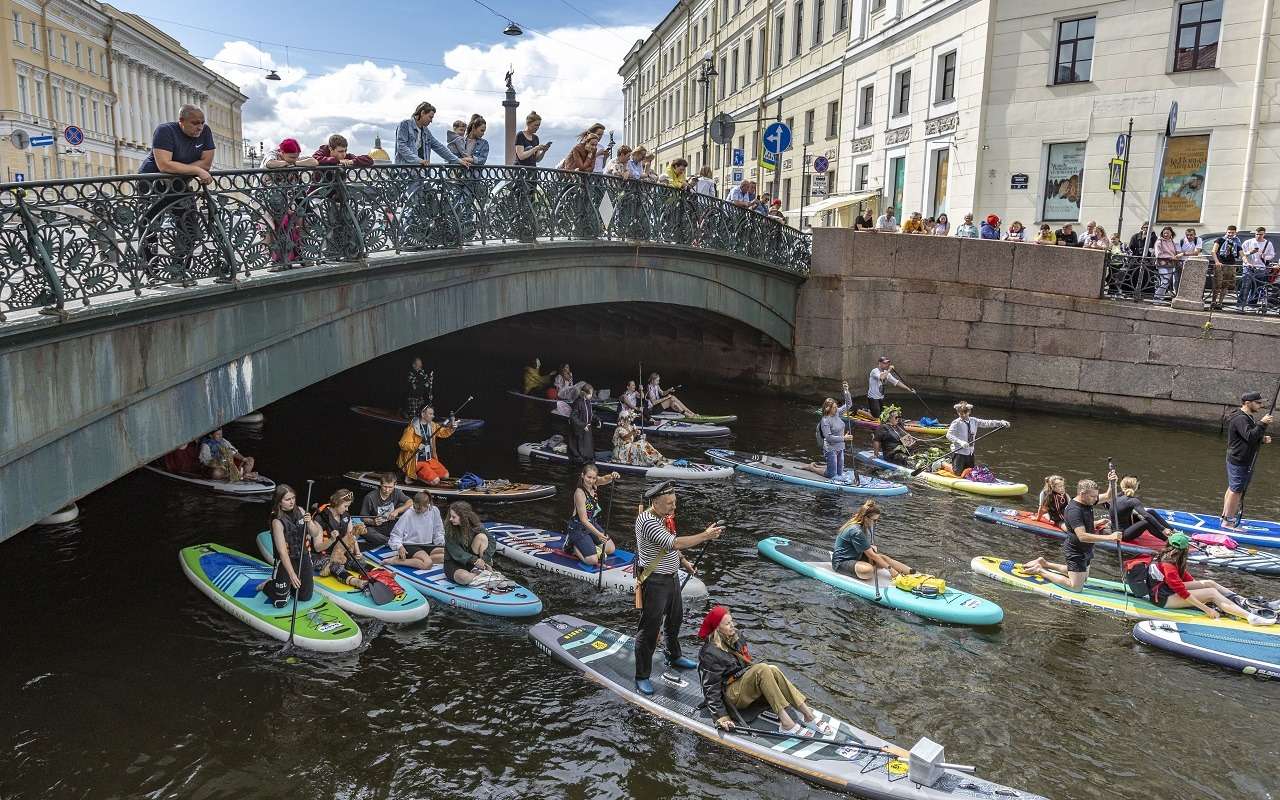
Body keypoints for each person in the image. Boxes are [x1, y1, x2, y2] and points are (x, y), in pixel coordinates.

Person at [633, 481, 724, 695]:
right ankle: (642, 676)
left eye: (675, 502)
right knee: (649, 630)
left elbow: (672, 545)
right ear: (655, 502)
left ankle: (674, 656)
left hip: (671, 577)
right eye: (669, 503)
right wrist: (706, 535)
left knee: (675, 620)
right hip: (655, 581)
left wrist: (684, 562)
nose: (674, 507)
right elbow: (674, 543)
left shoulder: (664, 516)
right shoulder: (647, 521)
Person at [698, 606, 834, 737]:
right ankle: (787, 724)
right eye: (728, 624)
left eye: (732, 621)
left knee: (772, 669)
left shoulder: (736, 636)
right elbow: (710, 688)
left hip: (741, 684)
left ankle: (808, 715)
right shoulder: (710, 652)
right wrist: (721, 717)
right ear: (717, 628)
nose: (732, 625)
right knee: (762, 669)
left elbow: (746, 665)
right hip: (730, 696)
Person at [1124, 535, 1275, 625]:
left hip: (1168, 591)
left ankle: (1243, 601)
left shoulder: (1166, 556)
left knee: (1210, 584)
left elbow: (1187, 579)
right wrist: (1207, 609)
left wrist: (1201, 590)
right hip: (1163, 599)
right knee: (1211, 593)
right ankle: (1250, 617)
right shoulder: (1168, 565)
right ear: (1184, 550)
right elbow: (1182, 593)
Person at [138, 105, 217, 275]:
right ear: (181, 121)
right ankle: (151, 272)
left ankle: (180, 269)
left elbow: (206, 163)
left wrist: (180, 170)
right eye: (195, 123)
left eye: (202, 122)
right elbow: (164, 165)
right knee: (149, 227)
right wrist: (195, 170)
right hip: (152, 182)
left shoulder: (205, 131)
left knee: (190, 225)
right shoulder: (165, 131)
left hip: (179, 183)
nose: (200, 127)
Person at [1020, 478, 1122, 590]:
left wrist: (1112, 482)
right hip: (1076, 551)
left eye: (1096, 496)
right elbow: (1082, 536)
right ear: (1082, 494)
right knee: (1076, 587)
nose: (1095, 499)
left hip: (1087, 548)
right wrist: (1110, 537)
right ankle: (1039, 570)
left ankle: (1044, 563)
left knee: (1084, 578)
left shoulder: (1088, 500)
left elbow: (1108, 496)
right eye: (1092, 496)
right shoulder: (1074, 511)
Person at [264, 483, 323, 606]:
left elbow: (315, 533)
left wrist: (310, 523)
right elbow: (282, 552)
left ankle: (288, 587)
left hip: (303, 556)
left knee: (304, 597)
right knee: (280, 602)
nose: (292, 502)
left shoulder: (301, 510)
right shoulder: (277, 521)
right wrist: (291, 574)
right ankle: (268, 584)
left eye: (293, 498)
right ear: (279, 502)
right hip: (287, 560)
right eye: (287, 499)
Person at [1221, 391, 1273, 527]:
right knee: (1236, 491)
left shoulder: (1247, 417)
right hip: (1239, 460)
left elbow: (1247, 437)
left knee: (1233, 488)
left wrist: (1261, 439)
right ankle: (1228, 522)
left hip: (1240, 458)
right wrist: (1262, 423)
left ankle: (1225, 517)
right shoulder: (1240, 419)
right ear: (1247, 403)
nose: (1260, 405)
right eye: (1258, 403)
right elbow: (1250, 436)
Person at [832, 500, 912, 581]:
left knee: (883, 558)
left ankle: (913, 573)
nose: (876, 522)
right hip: (842, 562)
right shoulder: (856, 531)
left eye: (877, 520)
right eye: (874, 520)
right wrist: (891, 570)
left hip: (857, 556)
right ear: (866, 518)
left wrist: (870, 548)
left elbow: (867, 548)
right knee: (868, 570)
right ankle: (886, 571)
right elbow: (871, 555)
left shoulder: (863, 523)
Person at [565, 464, 621, 565]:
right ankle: (572, 547)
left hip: (591, 523)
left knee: (610, 549)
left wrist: (612, 476)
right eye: (589, 477)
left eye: (594, 478)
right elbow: (583, 520)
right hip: (578, 527)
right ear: (583, 475)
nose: (591, 481)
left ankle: (589, 545)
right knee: (592, 560)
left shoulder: (594, 484)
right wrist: (598, 534)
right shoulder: (579, 493)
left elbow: (605, 479)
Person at [313, 489, 369, 590]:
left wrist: (357, 552)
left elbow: (351, 535)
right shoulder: (320, 518)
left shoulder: (346, 515)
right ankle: (356, 582)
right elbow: (317, 548)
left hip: (340, 552)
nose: (347, 509)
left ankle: (378, 574)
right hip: (323, 555)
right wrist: (331, 539)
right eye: (345, 506)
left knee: (357, 561)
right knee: (334, 566)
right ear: (337, 502)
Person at [394, 101, 471, 167]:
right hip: (404, 172)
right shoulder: (405, 124)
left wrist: (458, 160)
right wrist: (418, 160)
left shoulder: (426, 132)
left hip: (419, 172)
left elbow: (439, 147)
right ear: (422, 113)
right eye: (430, 117)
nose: (431, 121)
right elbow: (401, 147)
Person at [396, 405, 457, 485]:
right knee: (435, 481)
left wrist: (452, 428)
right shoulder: (411, 428)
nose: (433, 416)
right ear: (423, 414)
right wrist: (417, 446)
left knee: (446, 475)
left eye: (433, 414)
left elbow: (443, 433)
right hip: (416, 461)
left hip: (428, 459)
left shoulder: (432, 425)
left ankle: (421, 474)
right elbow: (402, 444)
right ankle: (412, 475)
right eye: (430, 414)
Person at [944, 401, 1009, 474]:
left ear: (969, 412)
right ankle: (943, 463)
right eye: (960, 413)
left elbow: (987, 423)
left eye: (965, 413)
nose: (962, 415)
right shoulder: (956, 423)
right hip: (959, 452)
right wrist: (960, 442)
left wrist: (1000, 423)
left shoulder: (974, 421)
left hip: (970, 451)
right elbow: (949, 435)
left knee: (970, 471)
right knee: (957, 472)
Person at [442, 501, 499, 585]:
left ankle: (484, 568)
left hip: (472, 563)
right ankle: (482, 574)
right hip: (454, 563)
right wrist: (475, 560)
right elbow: (457, 553)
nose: (450, 519)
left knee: (482, 537)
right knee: (464, 578)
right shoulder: (449, 531)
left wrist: (484, 559)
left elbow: (492, 541)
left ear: (463, 517)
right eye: (450, 516)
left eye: (453, 517)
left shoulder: (475, 526)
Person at [385, 490, 445, 569]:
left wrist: (442, 543)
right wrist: (399, 546)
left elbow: (438, 530)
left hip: (428, 544)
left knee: (448, 556)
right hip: (411, 545)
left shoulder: (434, 510)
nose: (416, 510)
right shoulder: (408, 513)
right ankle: (396, 561)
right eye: (415, 507)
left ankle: (418, 560)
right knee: (427, 564)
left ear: (427, 505)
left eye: (419, 508)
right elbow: (395, 534)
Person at [808, 382, 855, 480]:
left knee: (839, 474)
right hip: (830, 449)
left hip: (840, 447)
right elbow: (828, 438)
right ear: (828, 408)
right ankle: (812, 468)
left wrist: (846, 391)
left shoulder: (837, 413)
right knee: (831, 475)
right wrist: (844, 438)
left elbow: (849, 404)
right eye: (834, 408)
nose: (836, 409)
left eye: (836, 407)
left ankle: (825, 466)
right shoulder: (825, 420)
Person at [1113, 475, 1173, 545]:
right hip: (1122, 535)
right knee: (1146, 522)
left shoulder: (1116, 497)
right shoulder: (1133, 500)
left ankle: (1173, 531)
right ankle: (1168, 541)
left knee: (1150, 512)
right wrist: (1163, 529)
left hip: (1121, 528)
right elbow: (1146, 516)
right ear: (1135, 487)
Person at [359, 472, 413, 546]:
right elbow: (363, 518)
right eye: (385, 487)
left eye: (390, 487)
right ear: (380, 484)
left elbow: (410, 502)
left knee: (406, 508)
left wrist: (397, 511)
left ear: (395, 485)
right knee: (365, 531)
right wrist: (373, 522)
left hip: (392, 524)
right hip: (377, 528)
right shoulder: (370, 497)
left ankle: (395, 539)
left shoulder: (397, 492)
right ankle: (391, 541)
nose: (387, 490)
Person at [1238, 227, 1276, 310]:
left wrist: (1265, 256)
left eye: (1260, 234)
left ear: (1264, 234)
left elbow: (1272, 254)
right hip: (1248, 267)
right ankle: (1240, 304)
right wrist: (1250, 252)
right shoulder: (1248, 242)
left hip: (1261, 268)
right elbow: (1241, 254)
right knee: (1245, 286)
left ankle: (1251, 305)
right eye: (1257, 234)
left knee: (1257, 287)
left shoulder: (1268, 243)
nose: (1258, 236)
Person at [1209, 226, 1243, 310]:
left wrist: (1247, 261)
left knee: (1225, 285)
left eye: (1232, 233)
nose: (1230, 234)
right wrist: (1217, 262)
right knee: (1217, 284)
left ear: (1235, 233)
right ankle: (1213, 302)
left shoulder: (1236, 241)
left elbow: (1242, 254)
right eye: (1229, 232)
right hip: (1220, 265)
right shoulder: (1220, 240)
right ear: (1226, 232)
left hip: (1231, 265)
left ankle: (1220, 303)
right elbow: (1213, 251)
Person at [568, 382, 597, 466]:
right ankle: (579, 459)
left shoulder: (588, 402)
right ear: (585, 393)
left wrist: (597, 420)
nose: (591, 396)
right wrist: (583, 425)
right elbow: (573, 417)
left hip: (587, 428)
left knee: (588, 445)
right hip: (580, 429)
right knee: (579, 446)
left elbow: (590, 413)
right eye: (590, 394)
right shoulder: (578, 402)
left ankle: (588, 458)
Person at [1153, 226, 1179, 302]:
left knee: (1165, 283)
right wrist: (1170, 257)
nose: (1166, 235)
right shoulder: (1159, 241)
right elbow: (1158, 254)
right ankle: (1156, 298)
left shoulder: (1172, 242)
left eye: (1168, 233)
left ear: (1171, 233)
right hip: (1161, 264)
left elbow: (1175, 253)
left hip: (1170, 264)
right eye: (1164, 233)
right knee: (1165, 281)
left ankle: (1159, 299)